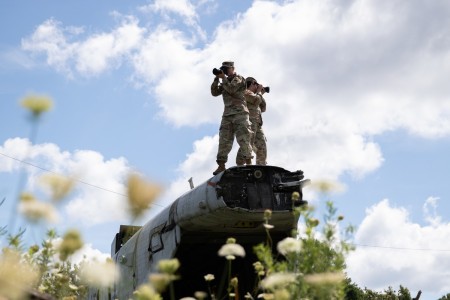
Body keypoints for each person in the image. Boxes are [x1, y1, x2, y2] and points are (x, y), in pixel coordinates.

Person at [211, 61, 253, 175]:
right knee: (224, 140)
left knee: (243, 139)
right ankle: (221, 165)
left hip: (240, 114)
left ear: (233, 68)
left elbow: (232, 89)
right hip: (227, 115)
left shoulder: (239, 79)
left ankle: (249, 163)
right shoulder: (224, 81)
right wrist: (216, 79)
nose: (225, 71)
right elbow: (214, 93)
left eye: (227, 69)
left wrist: (223, 78)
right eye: (223, 69)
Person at [236, 77, 267, 166]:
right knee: (247, 143)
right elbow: (256, 100)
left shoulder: (257, 95)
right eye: (255, 84)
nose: (257, 86)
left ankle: (261, 167)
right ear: (250, 84)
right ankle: (240, 164)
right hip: (248, 123)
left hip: (258, 124)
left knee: (262, 145)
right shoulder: (245, 92)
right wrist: (259, 92)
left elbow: (263, 108)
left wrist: (261, 93)